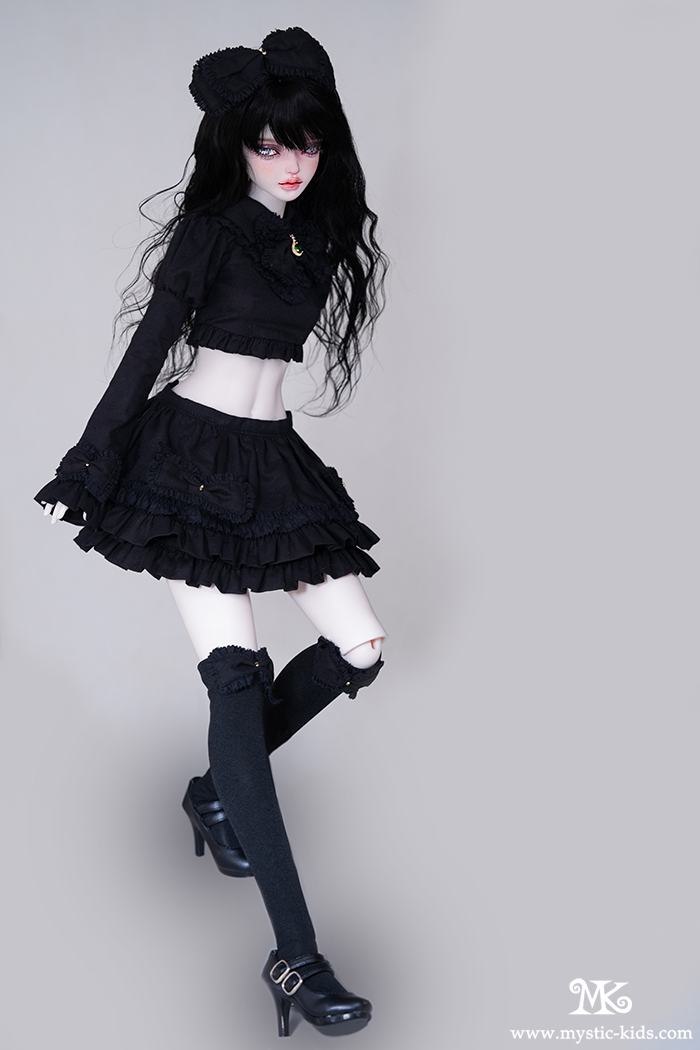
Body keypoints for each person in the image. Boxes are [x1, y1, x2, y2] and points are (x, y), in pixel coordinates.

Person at [34, 27, 387, 1038]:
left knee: (360, 648)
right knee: (236, 679)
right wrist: (91, 461)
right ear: (237, 145)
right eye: (269, 144)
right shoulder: (212, 231)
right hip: (185, 463)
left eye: (304, 143)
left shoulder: (314, 235)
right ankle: (297, 958)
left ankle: (215, 790)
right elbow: (149, 349)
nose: (290, 161)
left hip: (272, 461)